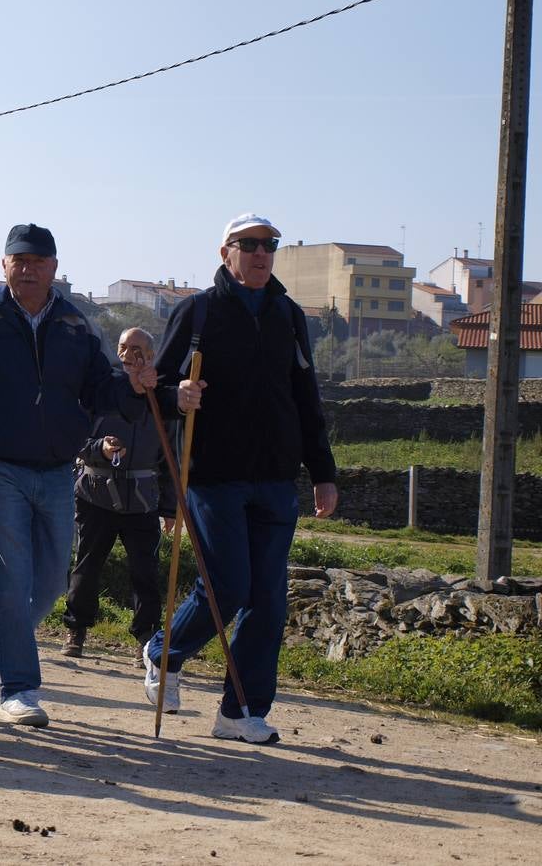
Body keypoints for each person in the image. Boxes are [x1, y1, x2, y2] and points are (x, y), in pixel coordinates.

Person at [142, 213, 338, 744]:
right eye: (249, 244)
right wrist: (176, 395)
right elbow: (154, 390)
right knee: (227, 585)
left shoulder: (289, 315)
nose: (260, 253)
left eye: (268, 245)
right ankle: (165, 652)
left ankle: (240, 710)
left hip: (276, 475)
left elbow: (306, 397)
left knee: (269, 599)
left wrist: (323, 472)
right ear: (225, 252)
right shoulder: (198, 311)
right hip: (213, 474)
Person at [0, 223, 156, 727]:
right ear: (3, 265)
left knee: (49, 582)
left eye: (38, 262)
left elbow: (101, 385)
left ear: (54, 269)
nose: (28, 269)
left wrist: (136, 389)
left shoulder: (75, 324)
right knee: (11, 576)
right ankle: (18, 689)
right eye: (18, 260)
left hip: (56, 470)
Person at [61, 328, 176, 662]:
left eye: (137, 349)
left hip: (142, 499)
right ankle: (76, 628)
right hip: (95, 491)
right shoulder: (101, 390)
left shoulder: (161, 397)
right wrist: (100, 448)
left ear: (151, 357)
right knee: (87, 565)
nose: (129, 355)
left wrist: (170, 506)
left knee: (146, 571)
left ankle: (147, 639)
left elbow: (172, 455)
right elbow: (72, 437)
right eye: (123, 348)